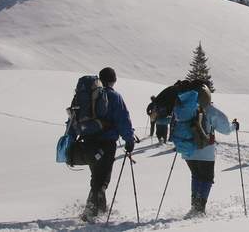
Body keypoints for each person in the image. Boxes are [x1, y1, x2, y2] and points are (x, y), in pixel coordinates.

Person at [154, 79, 237, 216]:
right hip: (206, 152)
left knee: (196, 176)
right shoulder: (209, 109)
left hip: (187, 150)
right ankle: (199, 208)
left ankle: (195, 206)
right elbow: (226, 129)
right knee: (207, 178)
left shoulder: (182, 107)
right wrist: (234, 126)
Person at [80, 67, 135, 222]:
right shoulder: (115, 97)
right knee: (102, 179)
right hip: (106, 144)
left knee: (97, 176)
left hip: (88, 142)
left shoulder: (89, 96)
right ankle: (90, 212)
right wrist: (129, 140)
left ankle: (100, 209)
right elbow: (123, 120)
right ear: (114, 80)